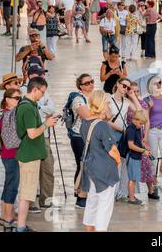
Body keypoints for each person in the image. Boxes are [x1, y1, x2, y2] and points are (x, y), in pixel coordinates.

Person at [15, 77, 58, 232]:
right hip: (29, 156)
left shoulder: (32, 105)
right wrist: (47, 124)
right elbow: (32, 134)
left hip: (33, 154)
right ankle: (20, 226)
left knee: (29, 192)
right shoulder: (27, 107)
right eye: (42, 92)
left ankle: (21, 224)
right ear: (35, 89)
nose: (43, 95)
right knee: (26, 194)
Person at [80, 91, 121, 232]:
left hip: (90, 166)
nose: (109, 106)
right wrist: (118, 162)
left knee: (93, 200)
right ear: (103, 105)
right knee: (105, 203)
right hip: (104, 168)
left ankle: (89, 228)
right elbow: (112, 150)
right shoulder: (102, 125)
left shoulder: (85, 123)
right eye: (108, 103)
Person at [69, 74, 95, 209]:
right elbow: (87, 116)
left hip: (90, 136)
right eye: (87, 83)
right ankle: (80, 196)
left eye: (92, 81)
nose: (90, 84)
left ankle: (83, 192)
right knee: (83, 165)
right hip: (78, 136)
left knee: (86, 165)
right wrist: (100, 113)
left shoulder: (92, 97)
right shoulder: (78, 99)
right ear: (81, 86)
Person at [0, 88, 22, 231]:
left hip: (7, 155)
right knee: (12, 187)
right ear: (7, 99)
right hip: (12, 155)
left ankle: (4, 216)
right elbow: (12, 141)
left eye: (20, 98)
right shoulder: (10, 114)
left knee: (8, 185)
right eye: (16, 98)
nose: (18, 100)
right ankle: (8, 219)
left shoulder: (5, 113)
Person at [144, 76, 162, 194]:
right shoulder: (147, 99)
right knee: (153, 158)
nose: (159, 85)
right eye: (156, 83)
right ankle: (154, 184)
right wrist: (149, 107)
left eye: (160, 82)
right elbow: (145, 118)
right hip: (152, 131)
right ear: (151, 86)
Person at [126, 111, 150, 205]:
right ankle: (131, 199)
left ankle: (132, 196)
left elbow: (137, 141)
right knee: (132, 178)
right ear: (135, 120)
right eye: (140, 123)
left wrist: (143, 145)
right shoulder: (131, 129)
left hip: (136, 156)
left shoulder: (136, 128)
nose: (141, 126)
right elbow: (130, 145)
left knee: (134, 178)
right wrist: (143, 151)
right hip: (132, 156)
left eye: (143, 124)